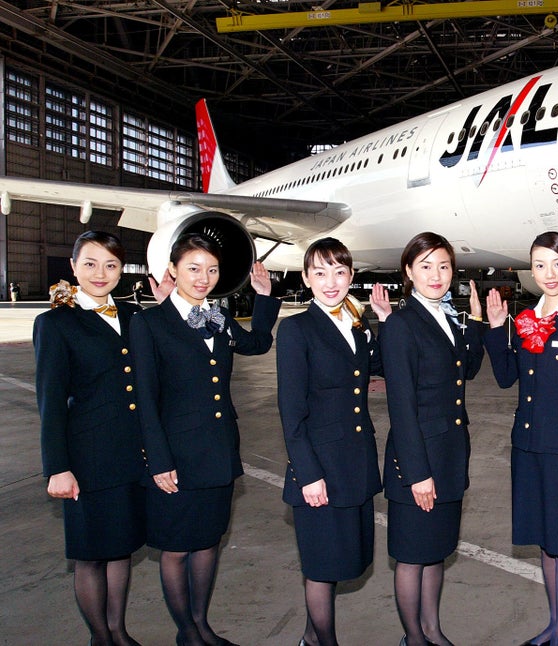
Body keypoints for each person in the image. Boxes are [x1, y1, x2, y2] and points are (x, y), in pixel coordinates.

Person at [130, 233, 280, 646]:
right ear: (172, 271)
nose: (203, 278)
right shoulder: (150, 323)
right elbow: (145, 398)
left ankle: (202, 624)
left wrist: (264, 297)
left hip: (217, 451)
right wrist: (158, 461)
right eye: (193, 268)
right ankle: (187, 632)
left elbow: (258, 343)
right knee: (177, 548)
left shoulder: (217, 317)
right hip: (175, 456)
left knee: (209, 542)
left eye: (211, 270)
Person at [34, 231, 155, 646]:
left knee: (121, 547)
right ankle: (100, 638)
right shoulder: (55, 323)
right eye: (90, 263)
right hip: (86, 458)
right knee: (90, 555)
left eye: (111, 265)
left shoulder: (134, 316)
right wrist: (57, 468)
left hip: (130, 455)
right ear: (73, 267)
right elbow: (49, 400)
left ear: (123, 270)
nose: (100, 274)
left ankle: (119, 631)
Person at [485, 231, 558, 646]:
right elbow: (505, 379)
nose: (549, 273)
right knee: (546, 541)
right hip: (528, 449)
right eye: (539, 265)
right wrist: (496, 328)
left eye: (557, 263)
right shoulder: (526, 320)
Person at [276, 237, 392, 646]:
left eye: (340, 272)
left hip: (354, 463)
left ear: (351, 276)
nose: (331, 282)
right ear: (306, 277)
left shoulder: (356, 324)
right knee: (321, 568)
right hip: (320, 469)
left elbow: (380, 367)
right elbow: (291, 411)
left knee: (345, 560)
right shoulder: (296, 329)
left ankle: (310, 637)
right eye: (320, 272)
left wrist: (388, 320)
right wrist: (308, 474)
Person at [379, 231, 485, 646]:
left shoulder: (449, 316)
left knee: (436, 550)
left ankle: (433, 630)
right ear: (409, 272)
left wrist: (475, 321)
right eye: (425, 266)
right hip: (418, 460)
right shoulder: (401, 325)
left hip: (449, 455)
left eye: (443, 266)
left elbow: (469, 369)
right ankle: (414, 638)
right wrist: (417, 474)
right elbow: (401, 406)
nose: (436, 275)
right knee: (411, 556)